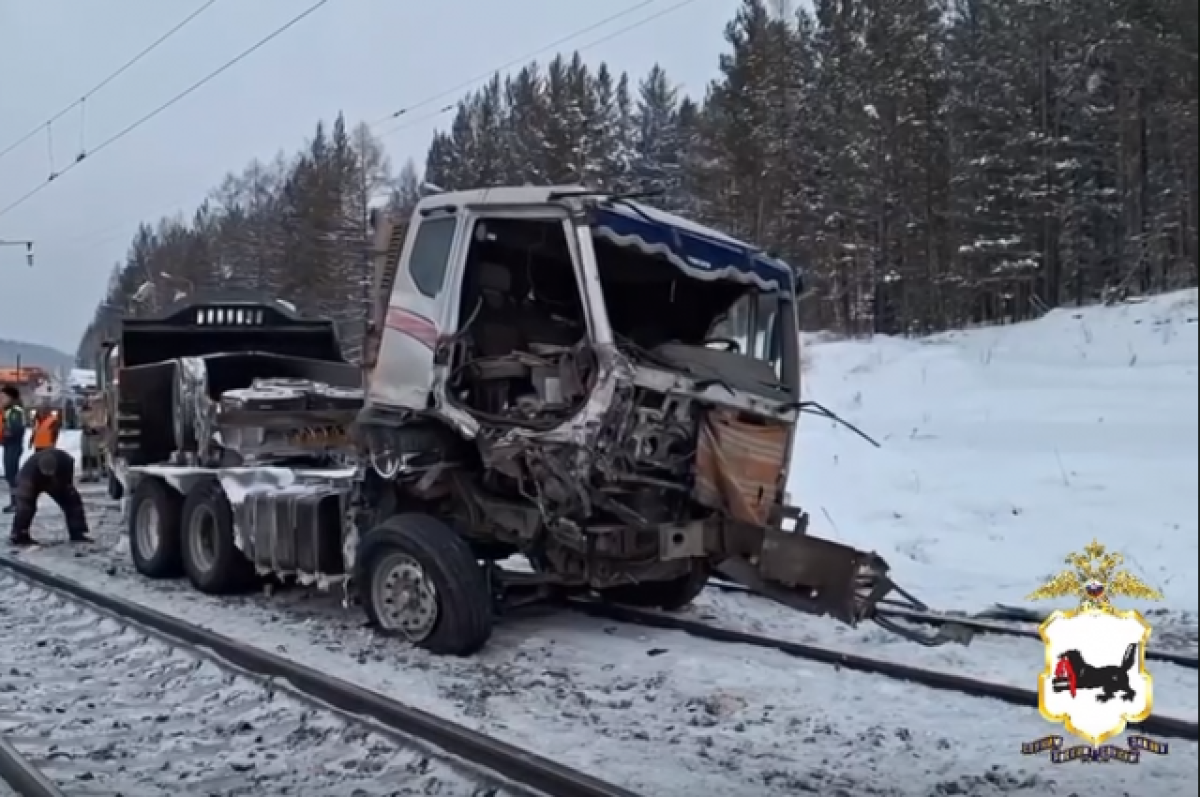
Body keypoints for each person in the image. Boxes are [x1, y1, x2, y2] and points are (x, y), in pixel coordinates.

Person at [8, 447, 92, 547]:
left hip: (57, 479)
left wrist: (66, 487)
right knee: (26, 507)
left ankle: (77, 532)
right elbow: (25, 496)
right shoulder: (29, 473)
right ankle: (19, 534)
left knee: (72, 500)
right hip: (33, 480)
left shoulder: (65, 460)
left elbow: (68, 481)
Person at [1, 386, 27, 513]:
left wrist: (6, 433)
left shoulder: (14, 411)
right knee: (10, 474)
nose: (1, 399)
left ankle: (17, 502)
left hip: (13, 445)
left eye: (3, 397)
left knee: (12, 475)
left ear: (10, 398)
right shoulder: (8, 410)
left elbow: (16, 428)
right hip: (9, 445)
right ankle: (15, 501)